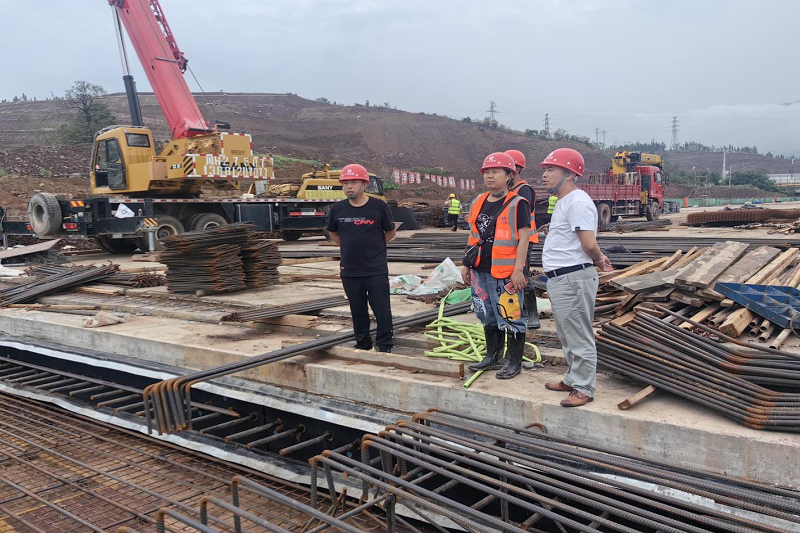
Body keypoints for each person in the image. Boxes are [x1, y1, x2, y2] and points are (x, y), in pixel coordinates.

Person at [540, 148, 613, 407]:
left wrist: (599, 259)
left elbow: (589, 243)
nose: (544, 174)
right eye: (545, 169)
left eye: (551, 169)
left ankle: (584, 388)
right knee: (567, 333)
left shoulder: (578, 202)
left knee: (579, 334)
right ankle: (573, 378)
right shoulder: (564, 201)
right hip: (561, 278)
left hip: (573, 277)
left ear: (570, 174)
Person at [461, 152, 531, 380]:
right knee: (486, 314)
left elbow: (524, 239)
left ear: (509, 175)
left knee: (511, 316)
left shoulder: (518, 203)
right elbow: (473, 236)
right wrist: (466, 265)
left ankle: (513, 361)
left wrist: (518, 270)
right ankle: (493, 356)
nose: (490, 176)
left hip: (505, 274)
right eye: (487, 172)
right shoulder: (477, 202)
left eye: (496, 172)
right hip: (479, 270)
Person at [327, 164, 397, 352]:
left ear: (365, 184)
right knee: (357, 310)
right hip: (350, 270)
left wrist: (374, 246)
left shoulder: (379, 206)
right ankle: (363, 342)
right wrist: (349, 246)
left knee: (382, 310)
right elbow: (333, 233)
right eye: (345, 183)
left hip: (375, 269)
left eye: (354, 182)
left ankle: (384, 344)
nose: (349, 187)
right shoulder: (337, 209)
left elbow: (390, 232)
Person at [505, 149, 540, 329]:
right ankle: (520, 311)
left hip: (524, 240)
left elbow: (520, 217)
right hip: (510, 241)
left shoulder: (524, 190)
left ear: (517, 169)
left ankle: (532, 315)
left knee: (522, 275)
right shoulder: (509, 190)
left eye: (506, 170)